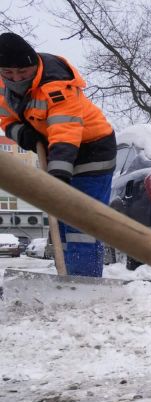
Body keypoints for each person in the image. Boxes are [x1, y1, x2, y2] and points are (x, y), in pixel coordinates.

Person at [0, 32, 116, 278]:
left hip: (92, 148)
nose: (16, 79)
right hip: (52, 146)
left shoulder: (58, 84)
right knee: (61, 220)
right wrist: (23, 134)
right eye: (8, 73)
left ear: (35, 65)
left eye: (23, 72)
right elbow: (6, 118)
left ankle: (85, 281)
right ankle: (67, 276)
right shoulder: (2, 86)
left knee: (81, 218)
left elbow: (66, 131)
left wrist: (58, 176)